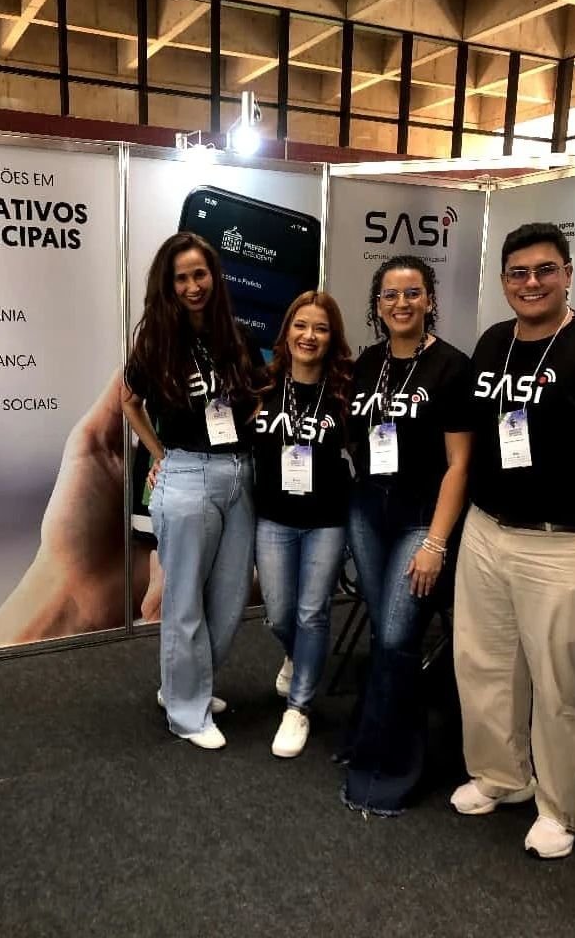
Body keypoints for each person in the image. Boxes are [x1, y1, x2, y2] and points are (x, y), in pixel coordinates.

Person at [450, 222, 575, 859]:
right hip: (488, 531)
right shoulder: (493, 342)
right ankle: (502, 776)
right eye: (518, 273)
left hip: (569, 544)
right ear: (503, 281)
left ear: (568, 273)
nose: (532, 283)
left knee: (563, 687)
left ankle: (564, 808)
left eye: (545, 270)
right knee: (483, 666)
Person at [342, 254, 472, 816]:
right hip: (369, 512)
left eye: (412, 293)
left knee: (397, 639)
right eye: (391, 295)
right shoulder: (368, 363)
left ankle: (389, 769)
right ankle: (366, 737)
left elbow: (460, 464)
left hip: (422, 517)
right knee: (384, 635)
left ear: (429, 300)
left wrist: (436, 543)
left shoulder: (451, 366)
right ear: (378, 305)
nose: (401, 303)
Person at [121, 231, 262, 750]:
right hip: (187, 475)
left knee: (229, 598)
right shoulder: (157, 341)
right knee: (183, 601)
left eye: (200, 274)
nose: (192, 286)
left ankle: (187, 684)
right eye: (181, 278)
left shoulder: (236, 335)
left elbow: (254, 395)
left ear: (214, 277)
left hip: (240, 474)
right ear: (169, 284)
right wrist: (160, 455)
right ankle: (185, 713)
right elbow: (129, 402)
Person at [252, 291, 353, 757]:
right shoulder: (262, 386)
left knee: (313, 613)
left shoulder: (344, 391)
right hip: (274, 518)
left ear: (332, 338)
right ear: (287, 331)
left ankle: (299, 708)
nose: (309, 336)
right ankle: (298, 655)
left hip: (326, 520)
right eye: (301, 325)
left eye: (321, 328)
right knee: (279, 613)